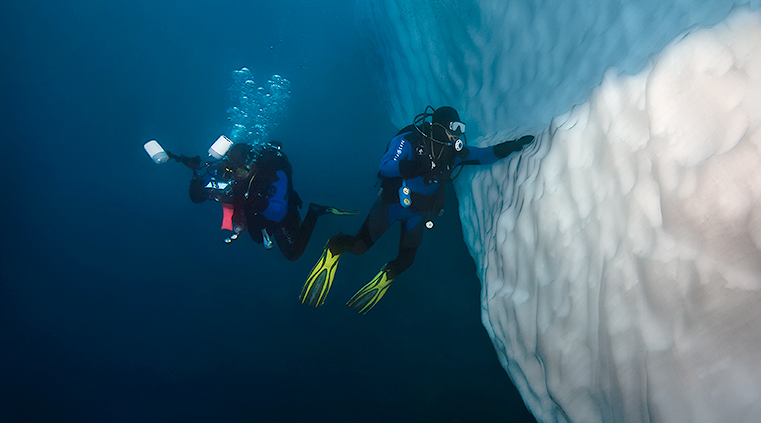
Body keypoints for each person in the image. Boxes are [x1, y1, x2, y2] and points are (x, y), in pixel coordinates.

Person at [300, 106, 534, 313]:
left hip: (419, 214)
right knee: (360, 248)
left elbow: (482, 155)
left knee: (406, 261)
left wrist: (512, 146)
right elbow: (386, 166)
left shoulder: (454, 152)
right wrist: (414, 165)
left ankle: (387, 275)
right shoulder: (411, 140)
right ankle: (336, 245)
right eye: (453, 128)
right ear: (439, 126)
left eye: (459, 128)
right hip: (391, 205)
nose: (457, 134)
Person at [162, 139, 356, 261]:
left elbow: (278, 211)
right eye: (232, 168)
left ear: (252, 165)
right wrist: (194, 176)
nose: (234, 175)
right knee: (259, 235)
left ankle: (314, 212)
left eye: (239, 169)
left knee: (292, 253)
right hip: (259, 218)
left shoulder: (274, 173)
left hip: (282, 216)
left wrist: (255, 201)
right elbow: (204, 186)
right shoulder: (237, 175)